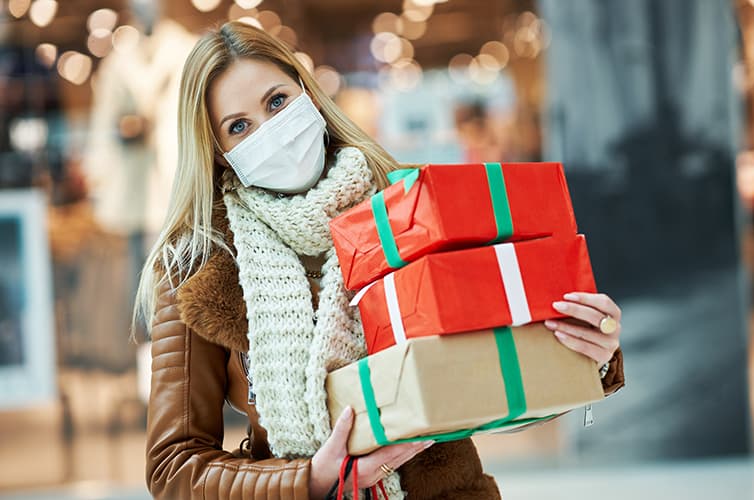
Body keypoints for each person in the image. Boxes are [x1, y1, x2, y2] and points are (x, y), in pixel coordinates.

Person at [136, 22, 625, 499]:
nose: (272, 131)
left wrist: (589, 353)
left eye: (278, 102)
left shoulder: (411, 204)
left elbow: (501, 351)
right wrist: (310, 480)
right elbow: (174, 465)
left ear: (309, 96)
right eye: (239, 126)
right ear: (219, 151)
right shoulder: (197, 267)